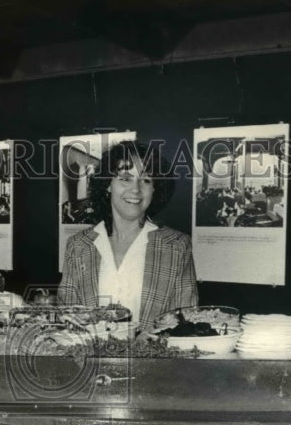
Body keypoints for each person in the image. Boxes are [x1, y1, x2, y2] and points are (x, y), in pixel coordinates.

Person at [58, 140, 198, 331]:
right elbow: (67, 318)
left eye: (146, 180)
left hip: (154, 359)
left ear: (154, 188)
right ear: (108, 184)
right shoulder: (78, 245)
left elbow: (187, 324)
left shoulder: (177, 246)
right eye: (125, 178)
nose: (136, 189)